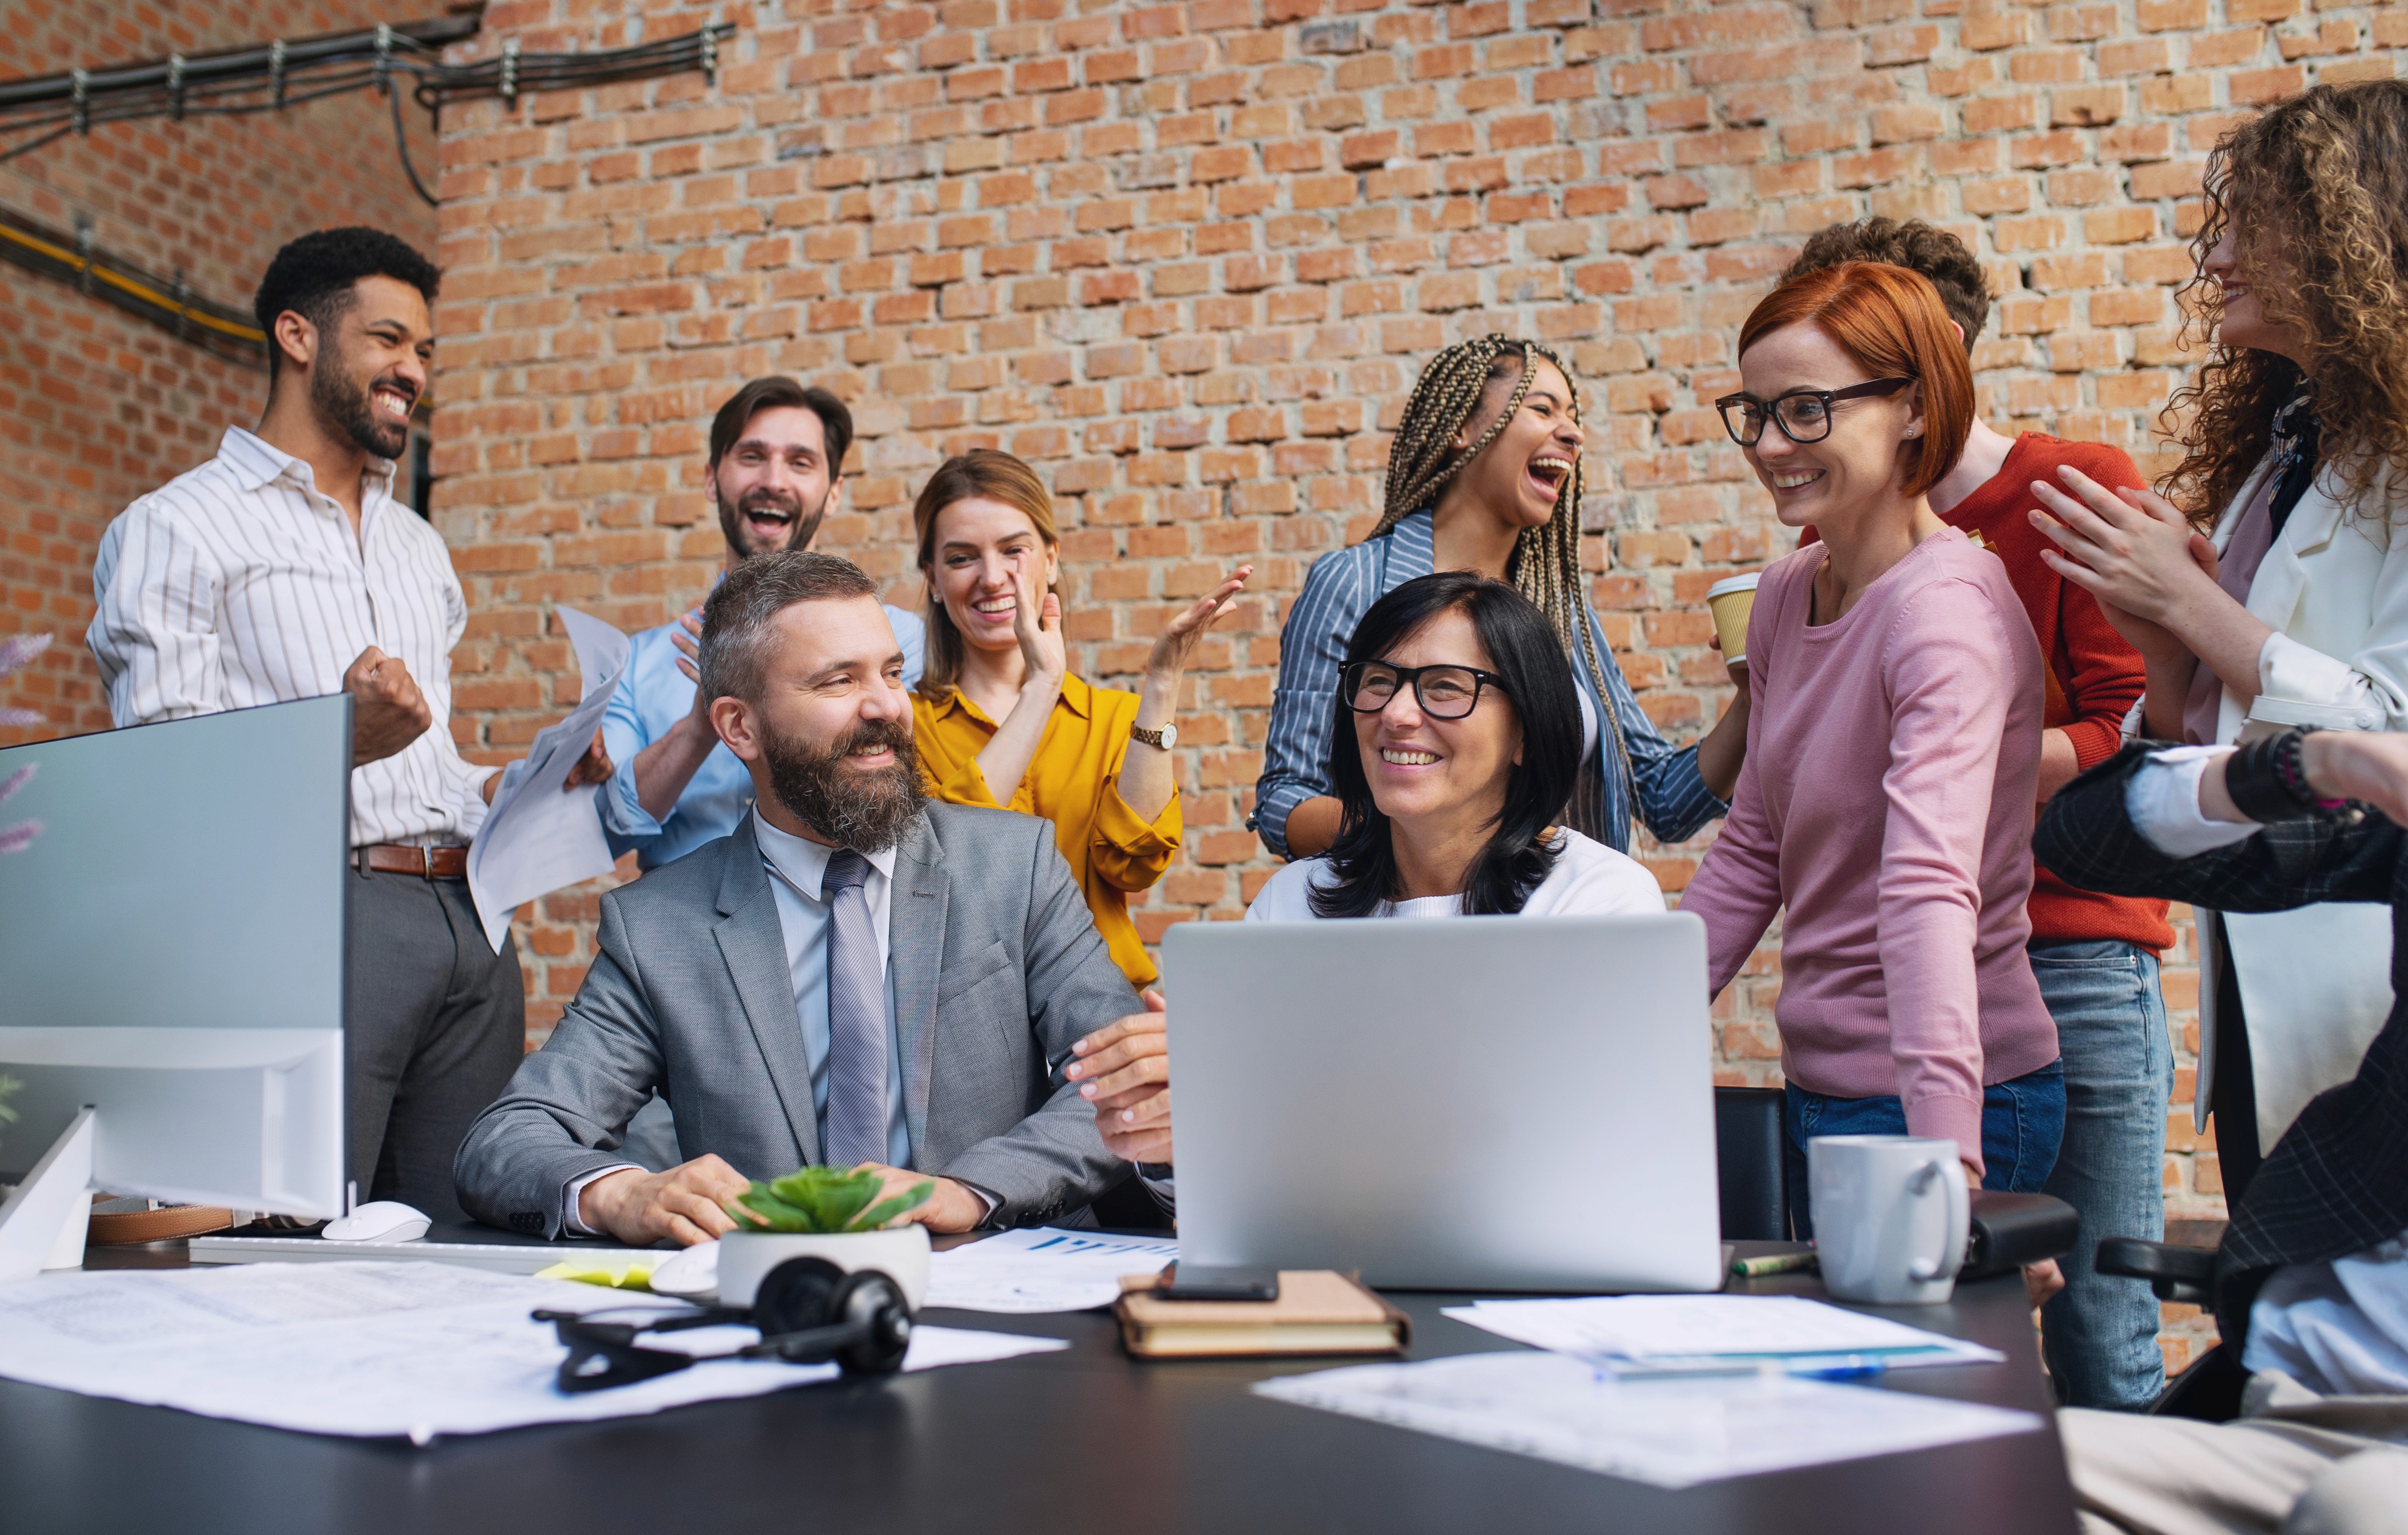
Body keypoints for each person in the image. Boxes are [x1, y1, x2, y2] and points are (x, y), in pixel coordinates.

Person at [87, 227, 610, 1225]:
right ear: (297, 335)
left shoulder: (418, 546)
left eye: (424, 352)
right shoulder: (178, 527)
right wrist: (341, 736)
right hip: (316, 915)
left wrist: (525, 779)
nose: (412, 371)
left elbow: (434, 769)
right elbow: (160, 782)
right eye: (387, 341)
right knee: (289, 1236)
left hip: (470, 922)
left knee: (458, 1234)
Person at [454, 551, 1149, 1243]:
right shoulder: (659, 927)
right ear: (739, 728)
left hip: (1002, 1293)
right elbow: (508, 1140)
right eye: (838, 681)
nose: (886, 707)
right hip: (779, 1312)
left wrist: (968, 1191)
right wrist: (623, 1194)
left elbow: (1127, 1087)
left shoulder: (1014, 864)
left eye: (891, 673)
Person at [1785, 220, 2176, 1408]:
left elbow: (2133, 723)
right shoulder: (1820, 551)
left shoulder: (2071, 486)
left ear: (1932, 360)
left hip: (2071, 956)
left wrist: (1965, 775)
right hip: (1909, 979)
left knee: (2102, 1322)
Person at [2031, 82, 2408, 1214]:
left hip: (2367, 992)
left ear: (2350, 231)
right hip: (2257, 987)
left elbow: (2387, 732)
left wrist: (2198, 615)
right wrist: (2163, 652)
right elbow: (2213, 737)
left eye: (2253, 218)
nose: (2222, 251)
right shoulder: (2291, 443)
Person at [1676, 261, 2063, 1229]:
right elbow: (1756, 844)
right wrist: (1625, 1026)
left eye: (1806, 410)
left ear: (1916, 409)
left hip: (1940, 1102)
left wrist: (1946, 1160)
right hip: (1821, 1087)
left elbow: (1928, 885)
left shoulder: (1943, 616)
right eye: (1753, 412)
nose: (1769, 444)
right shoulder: (1782, 595)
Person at [1067, 571, 1665, 1171]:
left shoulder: (1599, 903)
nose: (1397, 713)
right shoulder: (1291, 905)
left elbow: (1578, 1157)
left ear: (1525, 733)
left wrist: (1262, 1112)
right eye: (1378, 681)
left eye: (1447, 688)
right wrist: (1174, 1136)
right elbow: (1225, 1189)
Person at [2035, 729, 2408, 1535]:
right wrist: (2320, 763)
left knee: (2363, 1508)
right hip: (2297, 1419)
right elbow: (2083, 835)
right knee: (1969, 1473)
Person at [1254, 335, 1745, 864]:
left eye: (1574, 417)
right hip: (1412, 926)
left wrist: (1754, 693)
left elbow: (1663, 803)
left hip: (1561, 931)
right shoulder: (1353, 583)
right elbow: (1286, 802)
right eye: (1542, 409)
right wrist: (1436, 839)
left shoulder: (1560, 610)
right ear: (1462, 426)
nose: (1572, 432)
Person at [907, 449, 1245, 989]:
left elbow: (1133, 867)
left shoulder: (1114, 719)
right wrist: (1040, 688)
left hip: (1101, 1012)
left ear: (1052, 559)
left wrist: (1160, 686)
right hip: (965, 1028)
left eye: (1013, 550)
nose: (993, 578)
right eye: (961, 558)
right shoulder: (903, 727)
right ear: (932, 578)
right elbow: (947, 871)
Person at [598, 377, 925, 873]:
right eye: (752, 456)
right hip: (689, 938)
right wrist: (695, 732)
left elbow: (920, 802)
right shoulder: (638, 663)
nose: (774, 480)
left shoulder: (901, 645)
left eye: (800, 462)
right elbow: (602, 835)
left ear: (833, 492)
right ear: (712, 479)